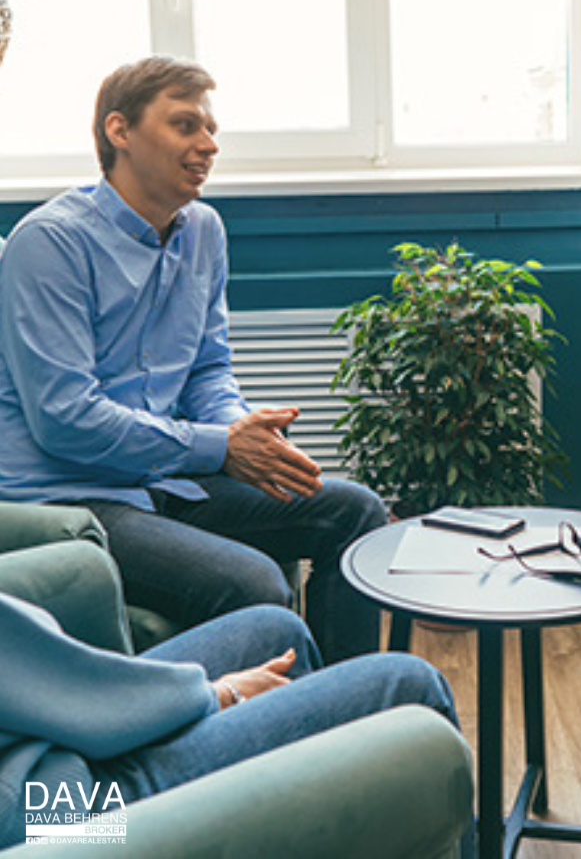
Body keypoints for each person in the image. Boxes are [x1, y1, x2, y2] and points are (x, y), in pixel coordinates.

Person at [0, 56, 387, 662]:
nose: (208, 145)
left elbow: (208, 367)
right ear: (118, 131)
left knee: (356, 510)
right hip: (72, 498)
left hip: (163, 478)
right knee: (253, 581)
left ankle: (345, 710)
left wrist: (244, 434)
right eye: (185, 126)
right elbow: (65, 419)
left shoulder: (203, 230)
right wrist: (219, 446)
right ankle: (262, 741)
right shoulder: (49, 243)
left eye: (211, 130)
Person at [0, 590, 472, 853]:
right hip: (61, 813)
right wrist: (220, 693)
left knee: (274, 630)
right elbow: (82, 701)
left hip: (37, 741)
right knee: (407, 687)